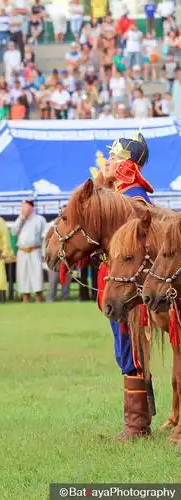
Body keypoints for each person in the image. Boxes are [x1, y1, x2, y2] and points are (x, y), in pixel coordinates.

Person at [96, 131, 154, 440]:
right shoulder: (121, 193)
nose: (109, 161)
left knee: (131, 350)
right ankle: (138, 420)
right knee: (124, 349)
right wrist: (103, 182)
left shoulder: (135, 198)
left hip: (129, 287)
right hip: (116, 281)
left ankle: (137, 425)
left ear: (128, 165)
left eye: (115, 157)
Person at [10, 200, 47, 303]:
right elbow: (13, 232)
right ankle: (25, 297)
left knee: (37, 274)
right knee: (23, 275)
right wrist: (21, 219)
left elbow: (45, 237)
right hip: (22, 251)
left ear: (31, 208)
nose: (23, 209)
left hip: (35, 250)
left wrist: (44, 254)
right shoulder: (20, 219)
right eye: (22, 207)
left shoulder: (40, 220)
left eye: (25, 207)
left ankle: (38, 297)